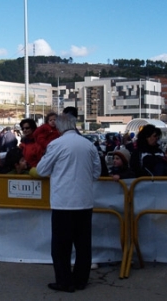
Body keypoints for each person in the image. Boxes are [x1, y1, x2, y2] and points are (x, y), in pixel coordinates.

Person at [36, 113, 101, 293]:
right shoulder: (89, 145)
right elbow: (96, 172)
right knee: (83, 245)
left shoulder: (56, 144)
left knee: (61, 247)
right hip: (84, 201)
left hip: (63, 202)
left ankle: (64, 281)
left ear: (59, 127)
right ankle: (81, 279)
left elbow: (42, 169)